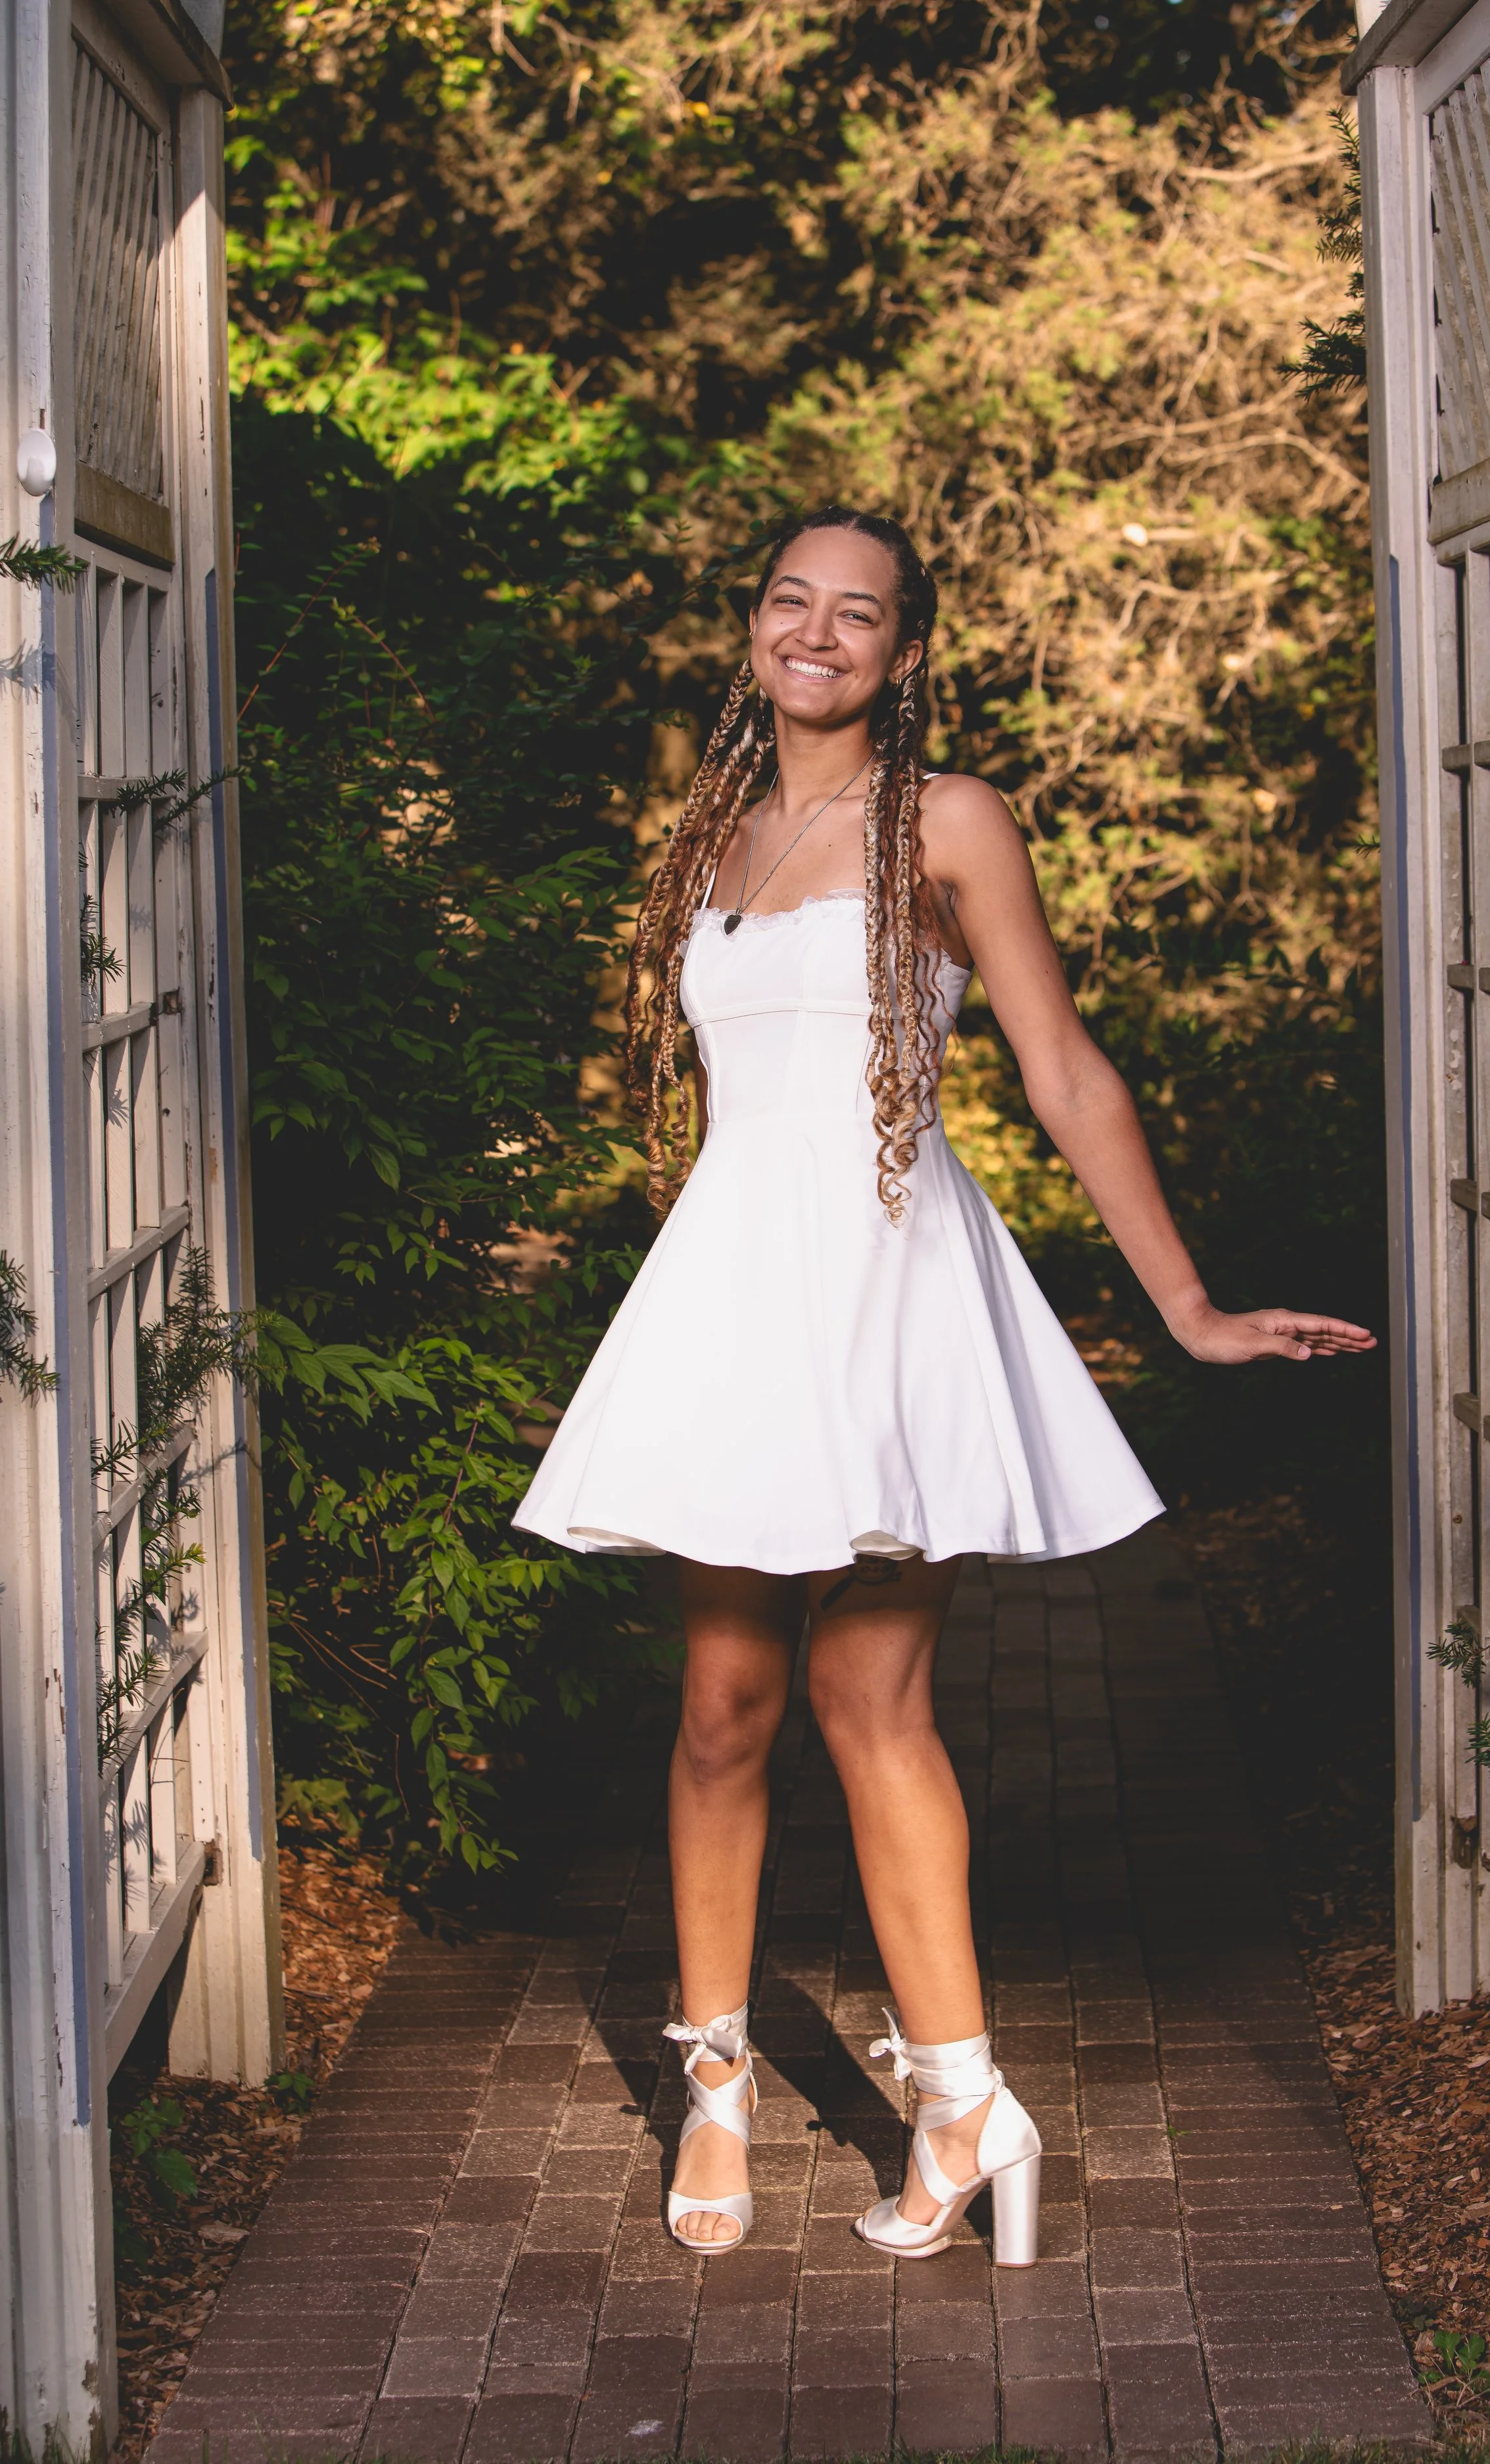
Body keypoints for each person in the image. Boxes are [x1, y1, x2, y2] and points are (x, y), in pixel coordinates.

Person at [514, 504, 1374, 2264]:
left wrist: (1191, 1309)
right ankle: (717, 2082)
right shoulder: (714, 832)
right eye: (787, 602)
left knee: (868, 1698)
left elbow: (1060, 1068)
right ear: (750, 626)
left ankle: (966, 2098)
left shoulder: (949, 821)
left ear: (902, 652)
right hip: (744, 1298)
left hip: (895, 1289)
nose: (816, 633)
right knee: (719, 1706)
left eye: (859, 613)